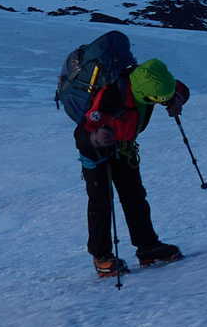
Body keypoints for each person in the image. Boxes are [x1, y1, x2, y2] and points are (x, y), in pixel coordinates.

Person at [55, 30, 190, 276]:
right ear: (145, 94)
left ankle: (147, 247)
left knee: (135, 196)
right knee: (101, 201)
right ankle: (101, 256)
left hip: (123, 148)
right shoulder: (112, 95)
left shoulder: (154, 79)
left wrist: (177, 99)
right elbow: (83, 131)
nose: (159, 102)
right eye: (156, 100)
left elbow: (180, 88)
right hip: (96, 151)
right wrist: (95, 137)